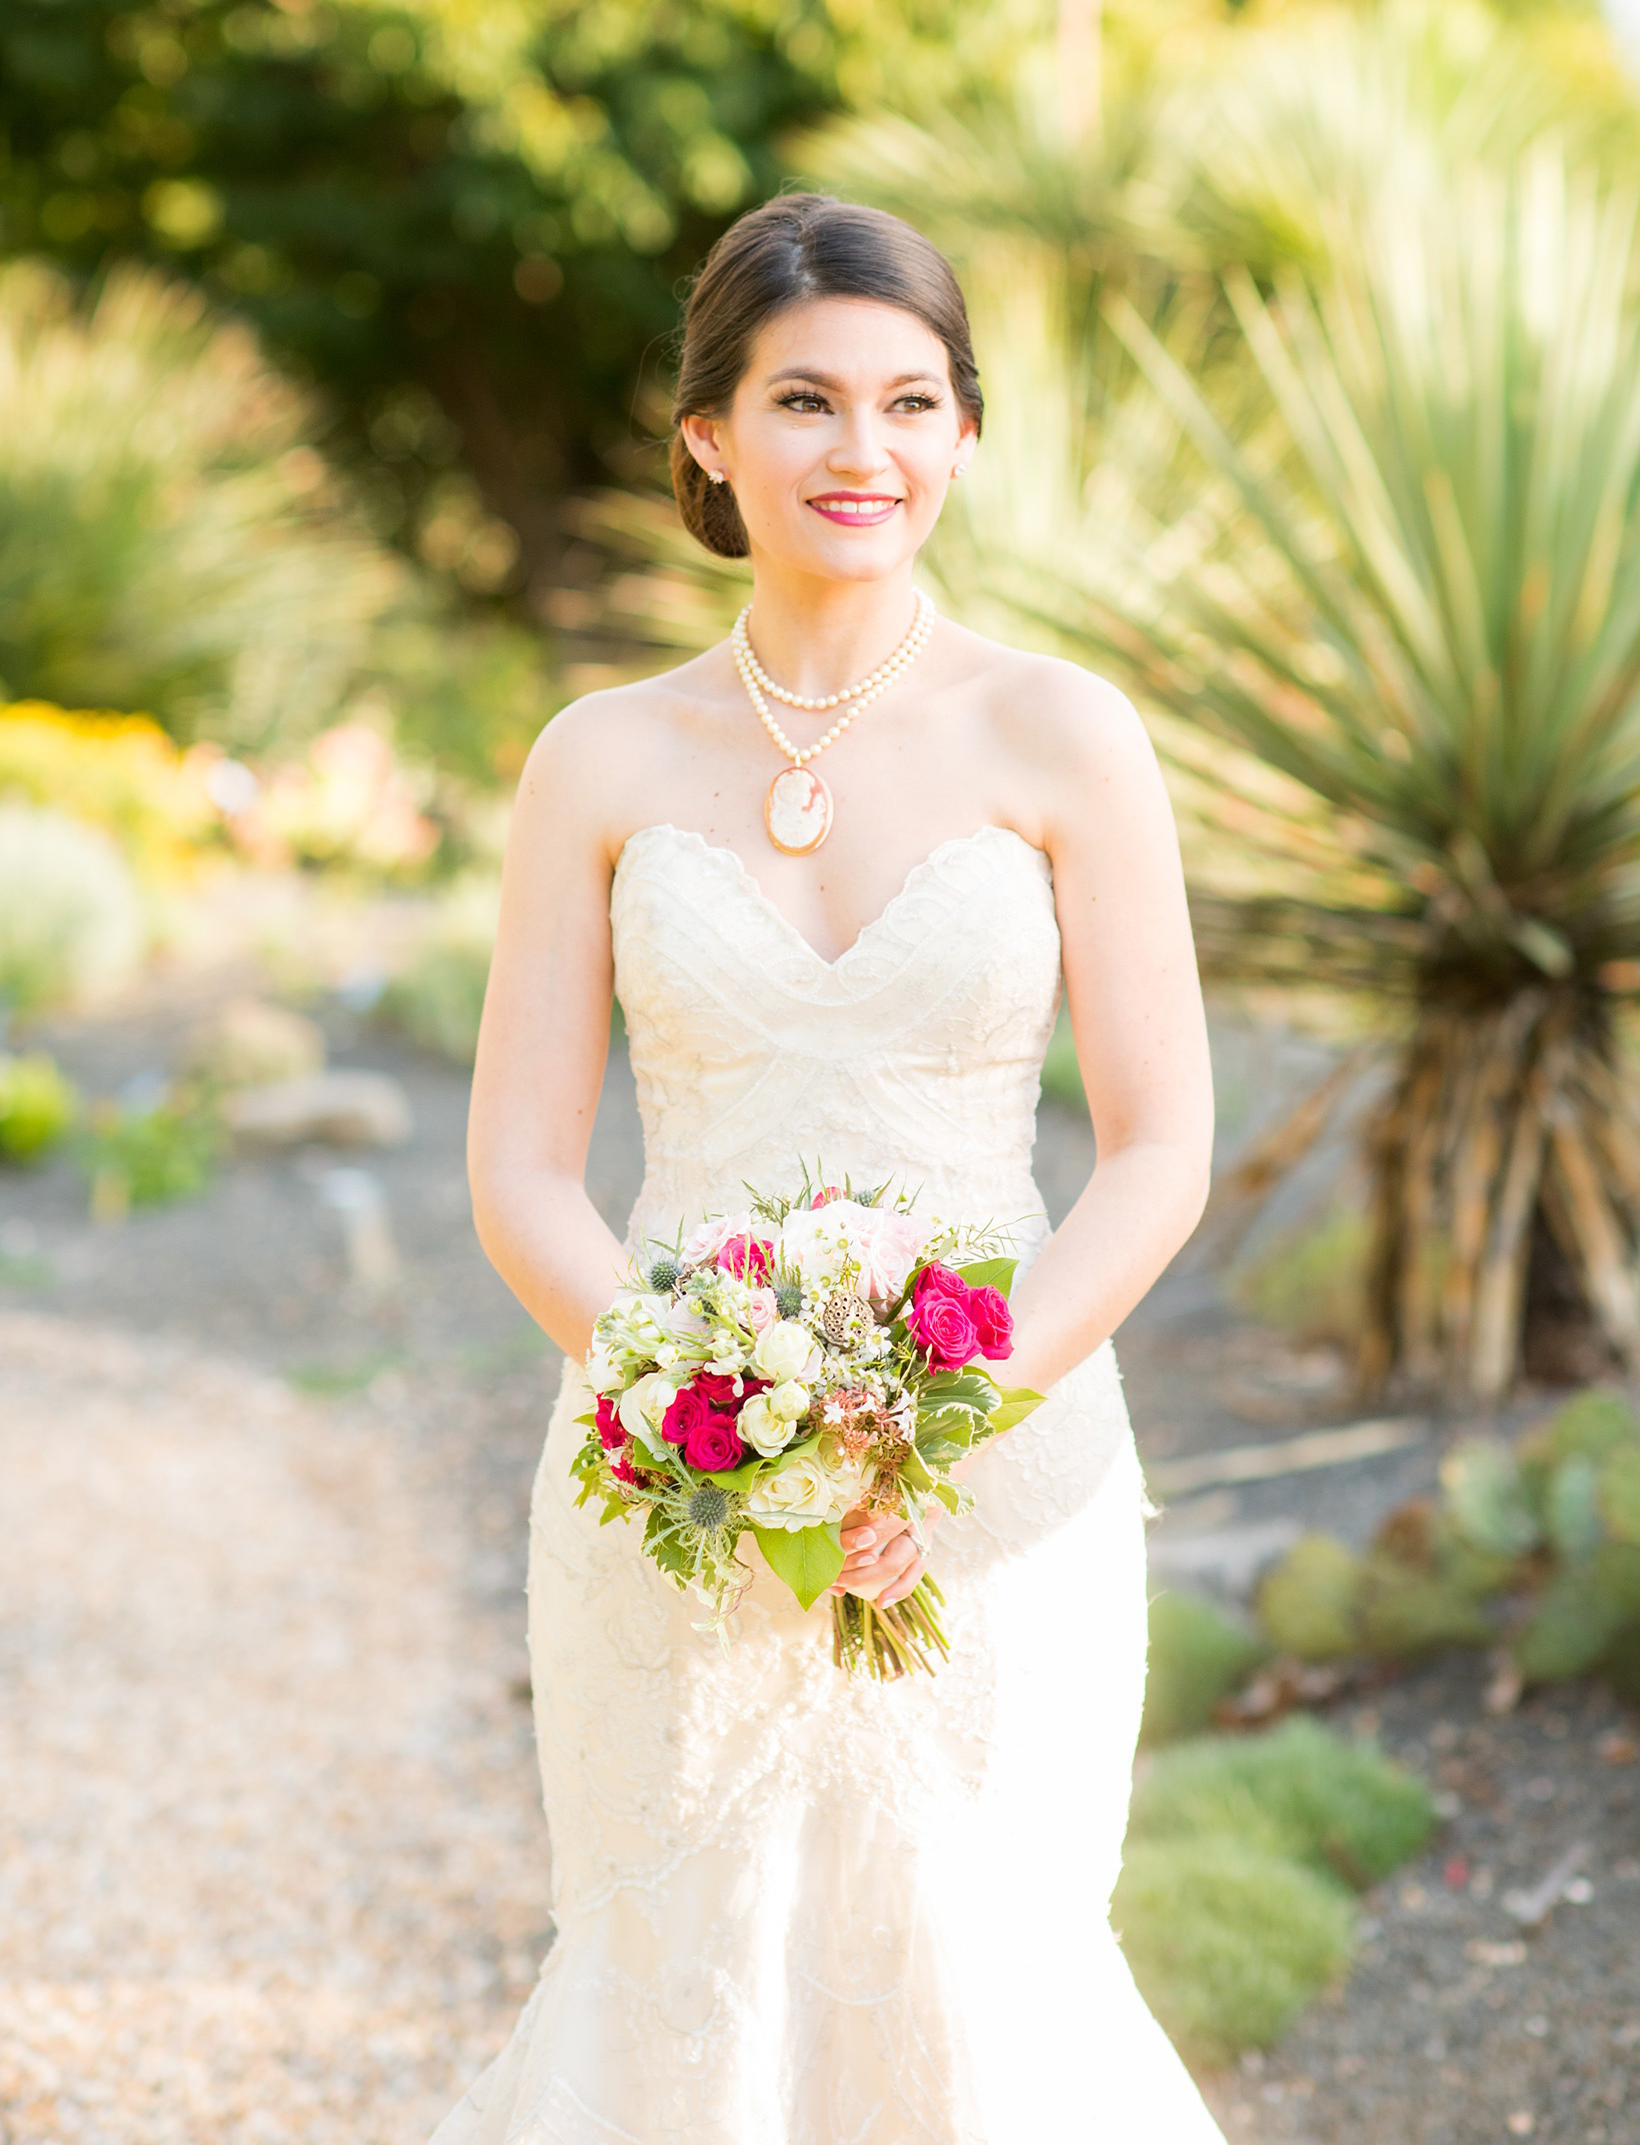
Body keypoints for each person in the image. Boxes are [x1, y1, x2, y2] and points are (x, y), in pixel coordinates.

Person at [434, 193, 1224, 2143]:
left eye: (908, 401)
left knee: (986, 1967)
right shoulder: (597, 761)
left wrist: (940, 1428)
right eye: (803, 400)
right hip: (662, 1468)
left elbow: (1158, 1147)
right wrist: (702, 1413)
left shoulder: (1064, 733)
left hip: (1003, 1462)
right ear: (706, 432)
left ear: (963, 432)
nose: (860, 452)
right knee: (683, 1976)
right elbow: (524, 1168)